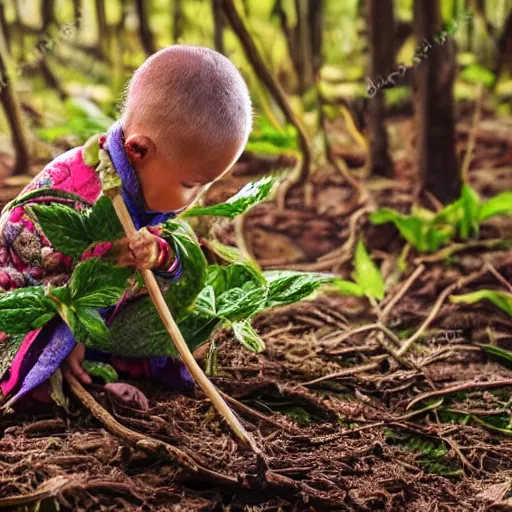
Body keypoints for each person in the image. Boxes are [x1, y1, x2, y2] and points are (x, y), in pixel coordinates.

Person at [0, 45, 252, 407]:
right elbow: (56, 270)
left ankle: (105, 356)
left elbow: (161, 254)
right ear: (138, 150)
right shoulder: (88, 196)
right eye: (191, 183)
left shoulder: (143, 181)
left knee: (179, 301)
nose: (196, 198)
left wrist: (159, 254)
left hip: (106, 295)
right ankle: (51, 369)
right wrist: (71, 331)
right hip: (36, 283)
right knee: (37, 354)